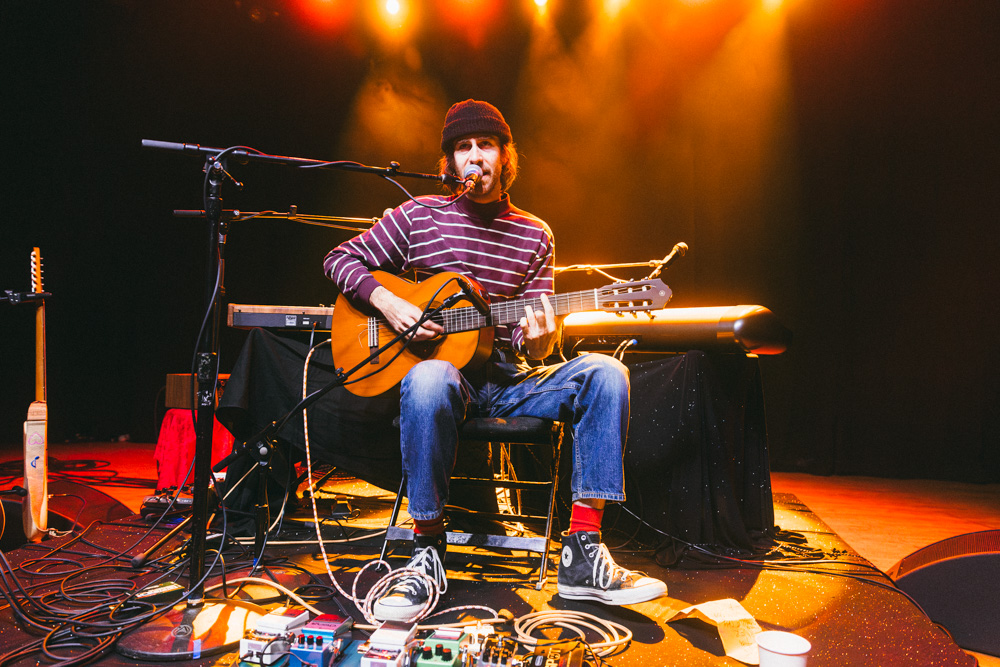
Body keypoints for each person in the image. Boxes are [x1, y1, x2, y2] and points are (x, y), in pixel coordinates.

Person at [323, 100, 666, 622]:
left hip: (509, 381)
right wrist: (390, 303)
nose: (475, 156)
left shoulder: (535, 234)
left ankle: (582, 553)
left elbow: (538, 350)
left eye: (486, 145)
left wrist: (542, 337)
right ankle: (426, 552)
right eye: (463, 147)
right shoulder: (416, 216)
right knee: (432, 375)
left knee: (606, 372)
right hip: (441, 380)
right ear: (448, 163)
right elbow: (339, 259)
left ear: (506, 157)